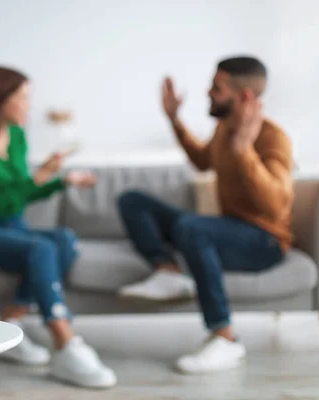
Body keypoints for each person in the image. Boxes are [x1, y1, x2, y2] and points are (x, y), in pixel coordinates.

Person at [117, 56, 293, 373]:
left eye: (216, 88)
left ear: (245, 97)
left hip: (264, 242)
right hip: (227, 228)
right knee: (133, 200)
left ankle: (225, 338)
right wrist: (174, 119)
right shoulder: (225, 128)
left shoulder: (272, 137)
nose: (208, 93)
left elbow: (277, 207)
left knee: (191, 227)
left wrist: (244, 151)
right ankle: (168, 270)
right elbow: (202, 161)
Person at [0, 66, 117, 389]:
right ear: (0, 100)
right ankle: (65, 340)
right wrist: (40, 177)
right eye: (23, 97)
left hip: (14, 228)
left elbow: (18, 197)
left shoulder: (17, 137)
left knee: (65, 240)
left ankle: (10, 323)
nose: (29, 105)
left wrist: (59, 181)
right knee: (42, 248)